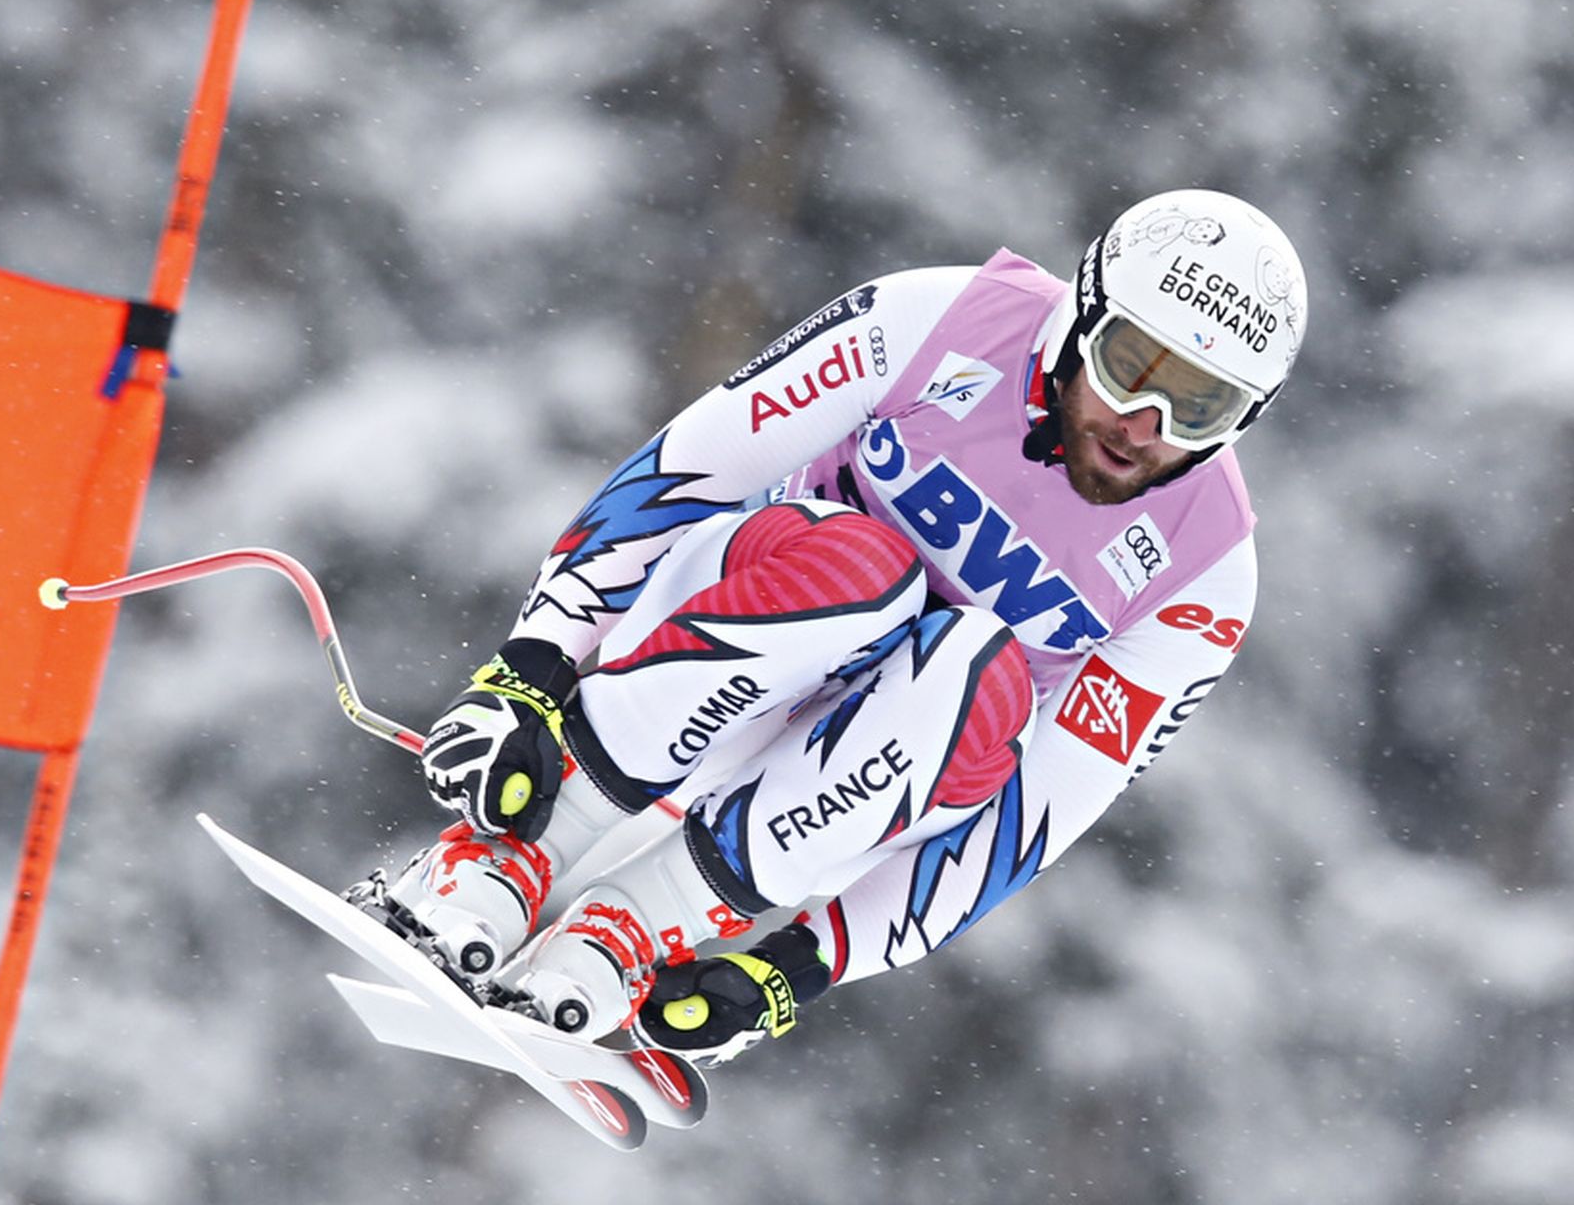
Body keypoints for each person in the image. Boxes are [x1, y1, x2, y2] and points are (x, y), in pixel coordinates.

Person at [358, 189, 1307, 1065]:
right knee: (867, 572)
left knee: (978, 663)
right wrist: (528, 669)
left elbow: (1032, 816)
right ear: (1077, 319)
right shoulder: (940, 321)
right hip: (729, 631)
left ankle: (636, 927)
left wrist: (802, 965)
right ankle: (511, 851)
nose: (1142, 422)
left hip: (868, 771)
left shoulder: (1206, 576)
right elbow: (691, 470)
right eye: (1128, 365)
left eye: (1198, 404)